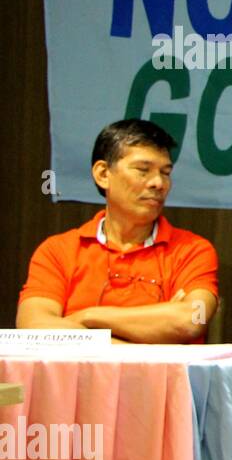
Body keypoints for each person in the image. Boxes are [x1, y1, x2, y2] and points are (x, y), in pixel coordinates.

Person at [17, 118, 218, 343]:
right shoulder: (58, 250)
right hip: (76, 379)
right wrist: (140, 341)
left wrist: (88, 317)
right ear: (103, 174)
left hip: (160, 379)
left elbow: (194, 318)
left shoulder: (192, 250)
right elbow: (32, 327)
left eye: (165, 172)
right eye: (143, 170)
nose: (158, 183)